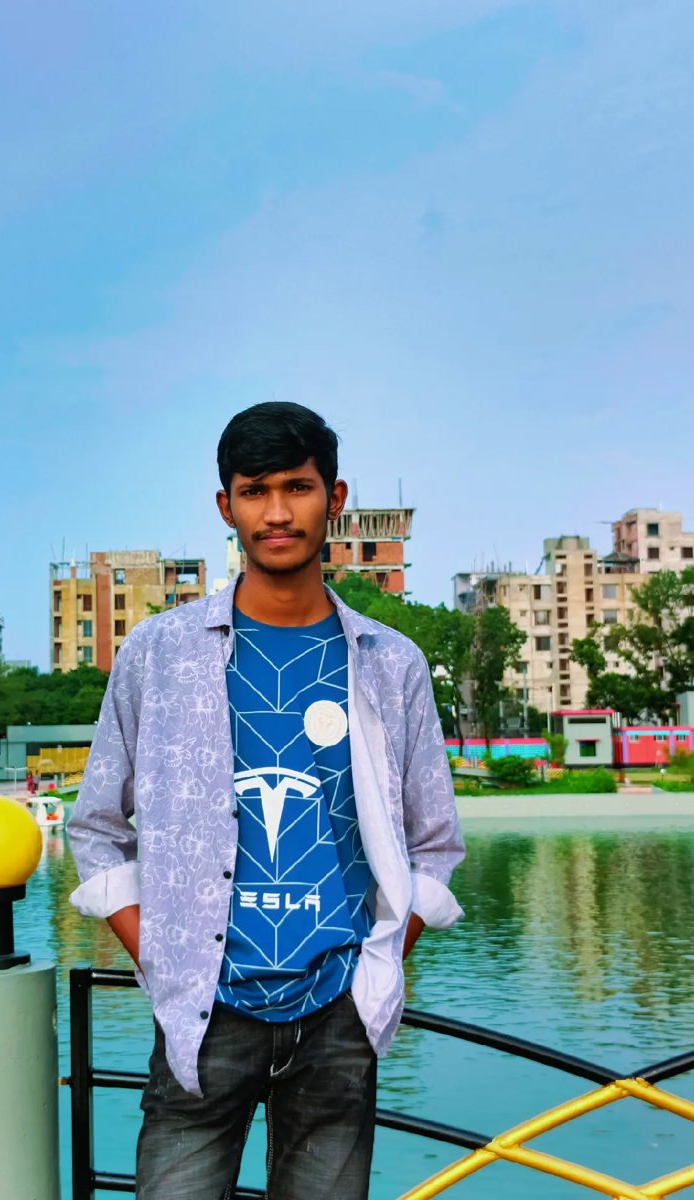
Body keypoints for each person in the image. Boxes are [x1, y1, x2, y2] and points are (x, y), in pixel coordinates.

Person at [68, 402, 465, 1200]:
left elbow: (435, 843)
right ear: (227, 506)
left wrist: (380, 961)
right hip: (203, 1010)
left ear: (334, 498)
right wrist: (161, 953)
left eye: (298, 487)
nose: (277, 513)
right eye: (255, 491)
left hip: (339, 1011)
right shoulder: (158, 655)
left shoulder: (391, 664)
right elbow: (97, 827)